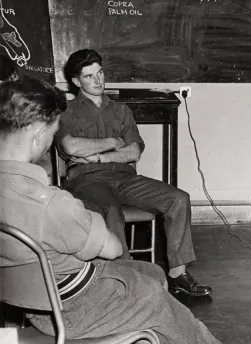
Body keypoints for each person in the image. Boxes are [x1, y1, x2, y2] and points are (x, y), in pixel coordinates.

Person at [0, 76, 221, 343]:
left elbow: (133, 149)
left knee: (154, 273)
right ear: (38, 136)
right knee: (159, 302)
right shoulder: (52, 203)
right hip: (72, 308)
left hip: (30, 299)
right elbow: (114, 249)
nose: (50, 143)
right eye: (51, 134)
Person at [54, 49, 210, 296]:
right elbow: (70, 146)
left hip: (125, 178)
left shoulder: (121, 111)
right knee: (111, 211)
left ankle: (177, 276)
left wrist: (97, 155)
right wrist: (115, 141)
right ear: (76, 81)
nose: (98, 81)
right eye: (89, 76)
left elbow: (134, 151)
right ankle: (126, 284)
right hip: (87, 179)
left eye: (100, 73)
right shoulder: (66, 111)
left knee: (178, 199)